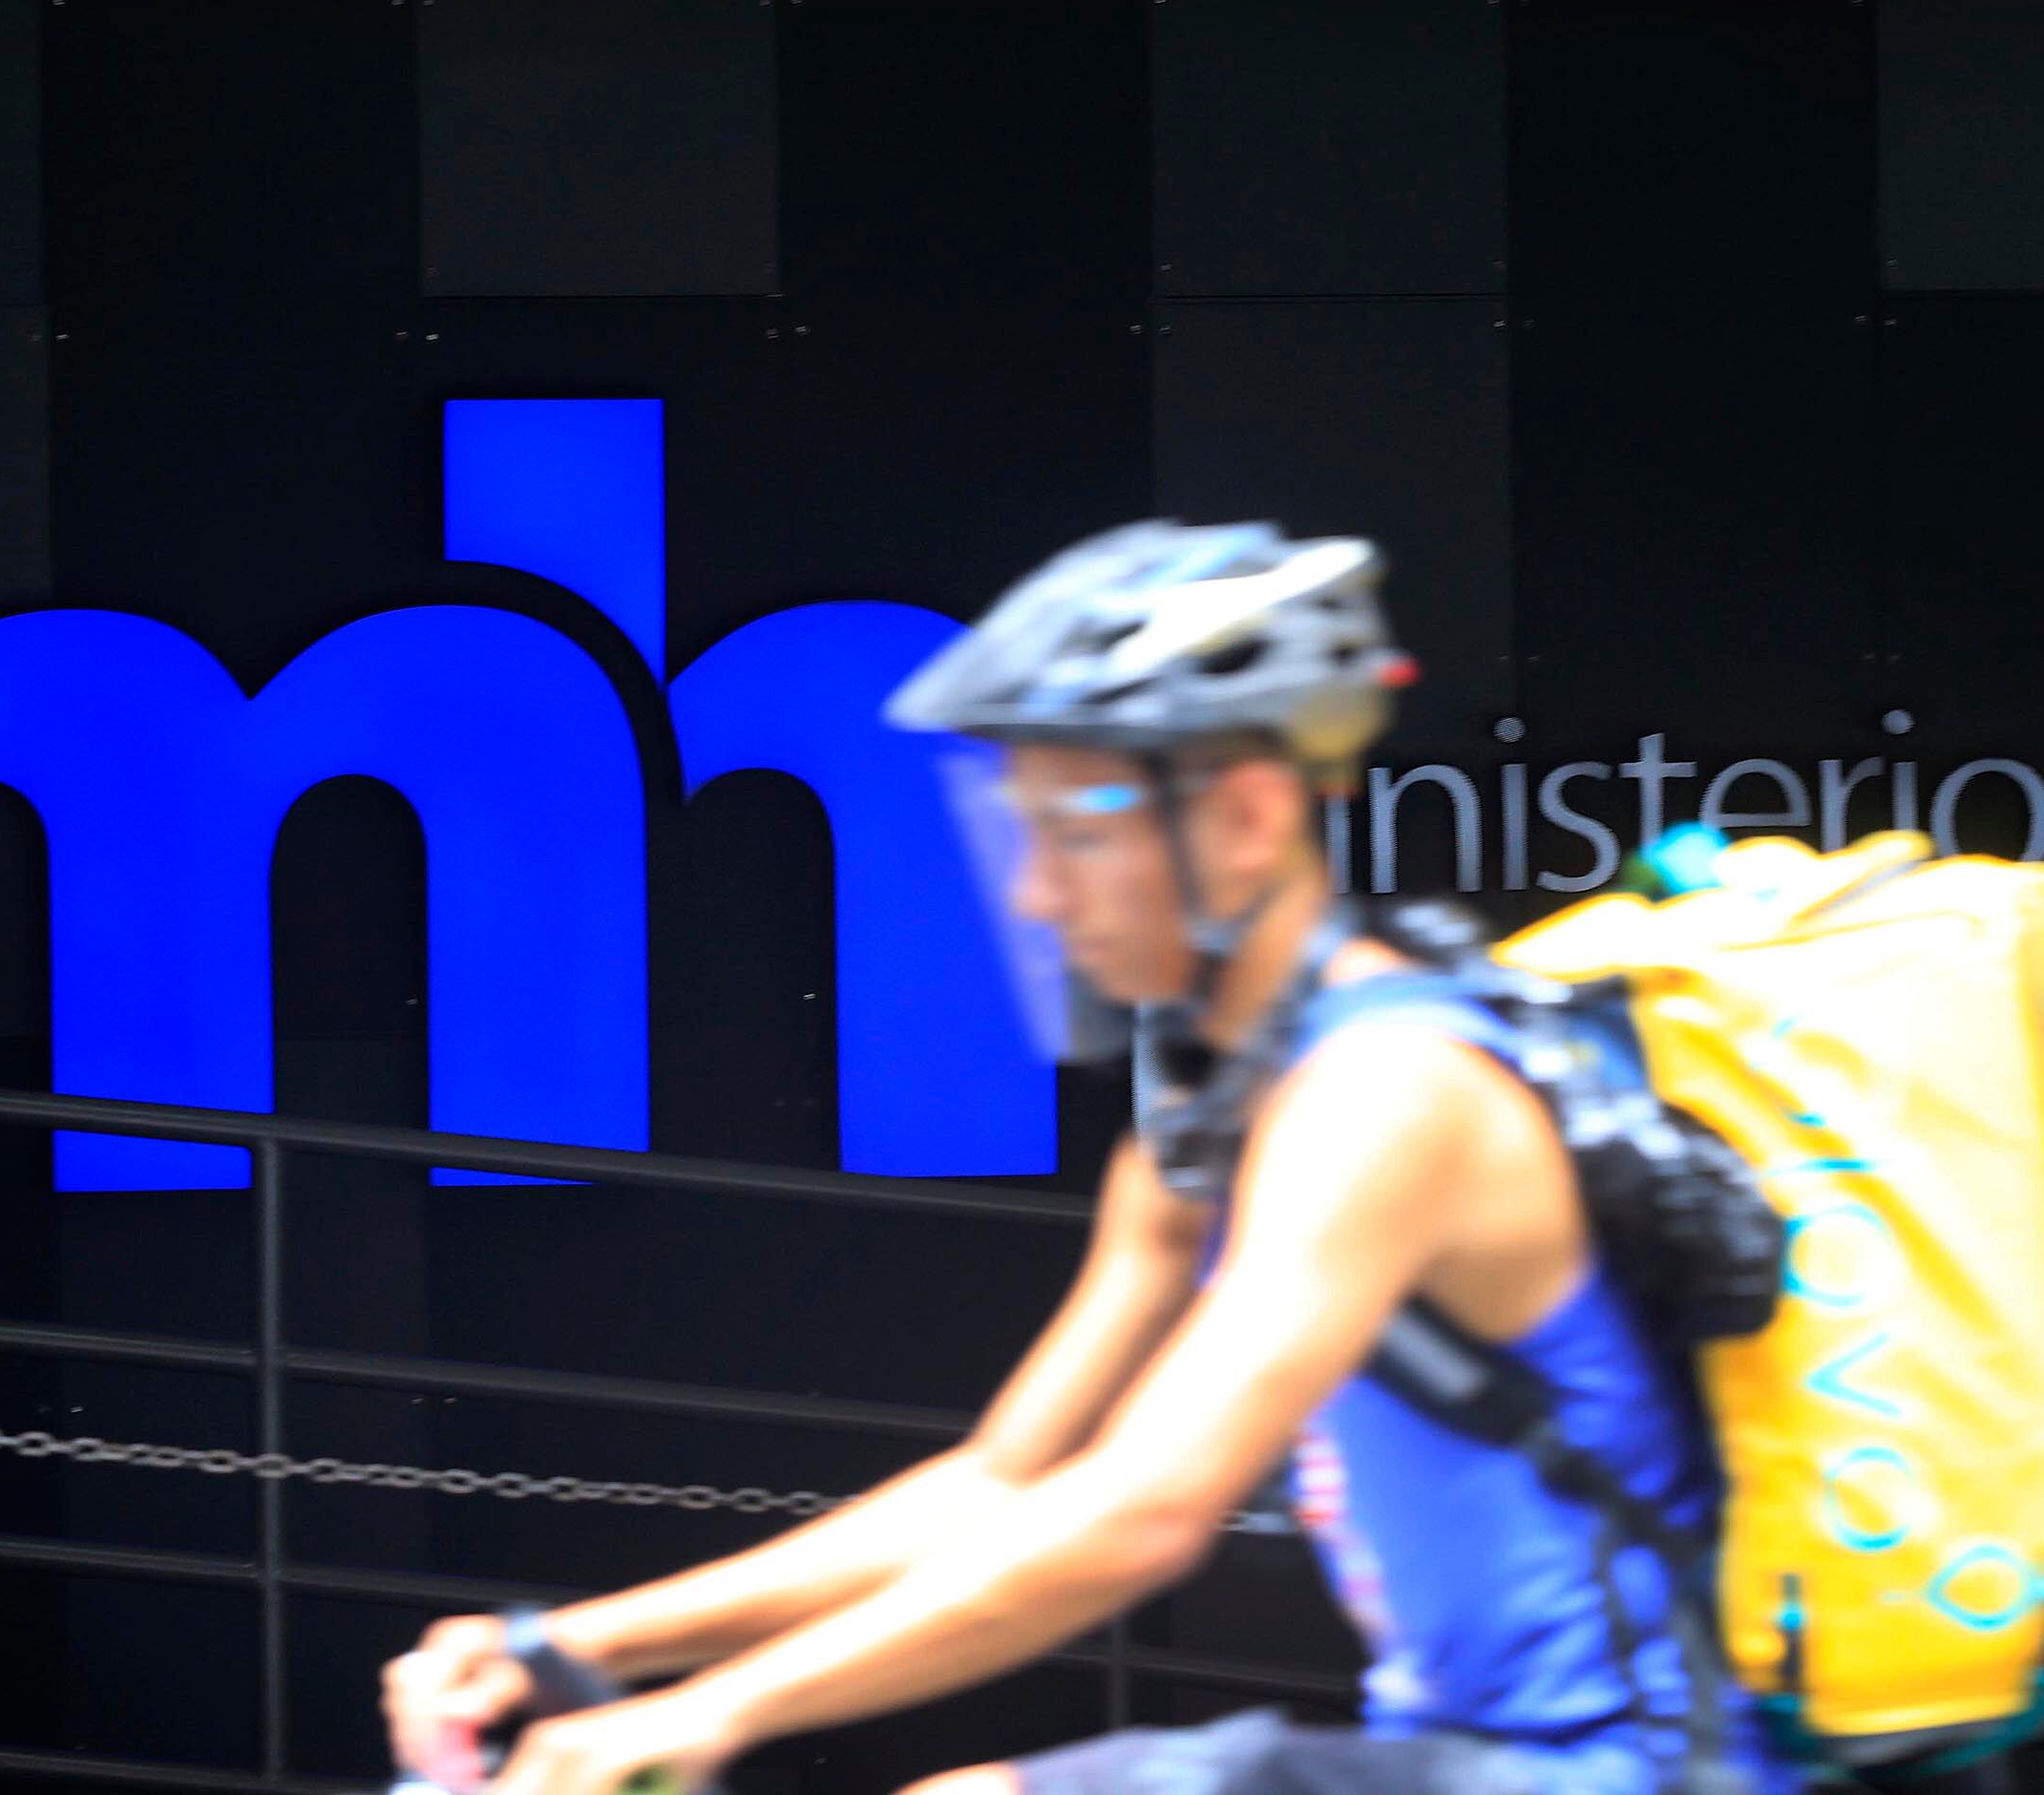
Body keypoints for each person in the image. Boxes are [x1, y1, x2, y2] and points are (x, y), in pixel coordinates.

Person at [382, 521, 1801, 1795]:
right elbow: (1003, 1487)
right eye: (1020, 826)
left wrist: (712, 1716)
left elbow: (1143, 1516)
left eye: (1081, 827)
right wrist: (573, 1648)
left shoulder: (1387, 1094)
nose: (1035, 892)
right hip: (1453, 1753)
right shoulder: (1204, 1122)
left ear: (1247, 817)